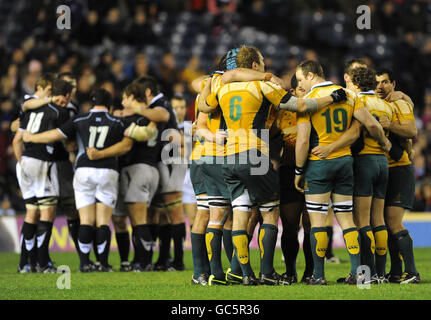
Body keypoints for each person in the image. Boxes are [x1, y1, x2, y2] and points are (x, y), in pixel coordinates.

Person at [199, 45, 347, 285]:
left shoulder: (224, 87)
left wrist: (208, 83)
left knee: (240, 212)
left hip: (228, 156)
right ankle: (267, 273)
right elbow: (300, 106)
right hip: (255, 154)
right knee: (269, 212)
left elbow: (205, 107)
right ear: (255, 65)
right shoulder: (263, 85)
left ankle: (243, 274)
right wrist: (332, 97)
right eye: (263, 63)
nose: (266, 66)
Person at [294, 60, 390, 285]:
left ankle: (318, 276)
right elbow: (372, 126)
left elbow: (303, 141)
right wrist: (385, 143)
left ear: (310, 76)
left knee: (317, 221)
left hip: (318, 164)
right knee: (347, 220)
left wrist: (299, 170)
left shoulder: (307, 102)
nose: (300, 84)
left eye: (300, 79)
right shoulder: (348, 95)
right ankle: (359, 274)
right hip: (345, 163)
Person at [23, 89, 134, 272]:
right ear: (110, 105)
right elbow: (129, 143)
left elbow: (55, 134)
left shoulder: (80, 119)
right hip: (107, 169)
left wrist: (32, 137)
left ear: (92, 104)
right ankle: (103, 264)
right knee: (103, 221)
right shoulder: (118, 121)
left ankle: (84, 263)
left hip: (83, 169)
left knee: (85, 220)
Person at [14, 77, 72, 273]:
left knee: (31, 212)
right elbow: (63, 138)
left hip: (23, 163)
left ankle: (24, 264)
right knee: (47, 212)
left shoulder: (29, 111)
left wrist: (22, 162)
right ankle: (42, 263)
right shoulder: (58, 112)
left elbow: (16, 140)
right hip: (42, 162)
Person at [131, 76, 185, 271]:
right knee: (159, 213)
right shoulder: (158, 104)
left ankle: (177, 261)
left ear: (147, 92)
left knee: (174, 211)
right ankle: (162, 259)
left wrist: (133, 109)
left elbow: (162, 117)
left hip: (170, 161)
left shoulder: (161, 104)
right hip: (162, 161)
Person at [107, 82, 159, 272]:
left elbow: (133, 139)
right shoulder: (150, 116)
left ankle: (143, 262)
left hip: (137, 168)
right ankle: (128, 262)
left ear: (131, 97)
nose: (122, 103)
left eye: (124, 98)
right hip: (144, 169)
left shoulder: (137, 118)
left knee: (138, 219)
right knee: (120, 218)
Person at [375, 68, 420, 284]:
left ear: (393, 83)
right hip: (383, 169)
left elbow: (412, 131)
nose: (380, 86)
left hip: (399, 169)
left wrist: (389, 125)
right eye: (376, 82)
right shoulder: (373, 103)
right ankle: (395, 272)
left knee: (394, 223)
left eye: (384, 82)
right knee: (385, 222)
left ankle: (412, 272)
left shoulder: (399, 103)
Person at [276, 74, 313, 284]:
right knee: (290, 226)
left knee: (311, 225)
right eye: (301, 91)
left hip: (314, 170)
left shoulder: (317, 110)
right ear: (292, 93)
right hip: (288, 172)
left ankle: (311, 272)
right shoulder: (281, 114)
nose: (306, 96)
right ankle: (290, 272)